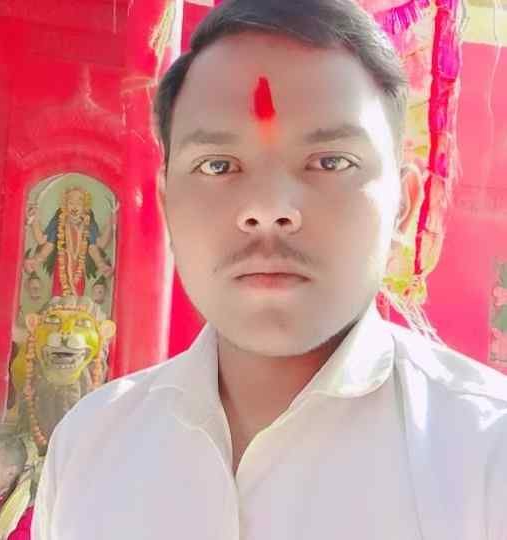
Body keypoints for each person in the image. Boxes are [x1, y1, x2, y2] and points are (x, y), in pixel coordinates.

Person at [33, 0, 507, 538]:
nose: (267, 207)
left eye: (330, 162)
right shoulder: (87, 451)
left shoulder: (488, 458)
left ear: (405, 204)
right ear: (166, 203)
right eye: (218, 165)